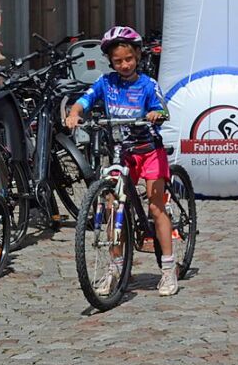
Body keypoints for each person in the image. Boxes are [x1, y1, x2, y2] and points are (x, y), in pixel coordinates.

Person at [65, 27, 177, 296]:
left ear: (137, 56)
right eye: (118, 61)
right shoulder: (106, 83)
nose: (124, 65)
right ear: (110, 62)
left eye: (128, 59)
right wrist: (74, 113)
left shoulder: (148, 85)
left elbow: (163, 108)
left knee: (156, 206)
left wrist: (155, 114)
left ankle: (168, 269)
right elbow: (85, 99)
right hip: (121, 152)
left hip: (148, 150)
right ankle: (114, 269)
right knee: (113, 205)